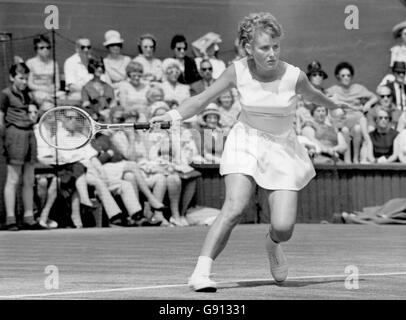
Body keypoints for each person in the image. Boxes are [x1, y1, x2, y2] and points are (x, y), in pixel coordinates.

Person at [150, 12, 353, 292]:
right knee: (234, 206)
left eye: (275, 47)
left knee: (284, 228)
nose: (272, 54)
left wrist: (335, 105)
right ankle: (201, 271)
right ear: (248, 48)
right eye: (264, 48)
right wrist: (172, 116)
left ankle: (272, 244)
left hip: (282, 147)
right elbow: (200, 100)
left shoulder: (295, 76)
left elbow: (314, 96)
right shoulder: (237, 71)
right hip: (245, 140)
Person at [0, 63, 38, 231]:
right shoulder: (5, 94)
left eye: (26, 78)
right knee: (13, 179)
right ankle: (10, 218)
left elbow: (34, 117)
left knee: (29, 179)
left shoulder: (29, 95)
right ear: (12, 77)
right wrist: (4, 139)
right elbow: (0, 119)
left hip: (30, 134)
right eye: (20, 78)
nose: (24, 82)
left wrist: (34, 116)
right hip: (14, 134)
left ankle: (29, 217)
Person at [326, 62, 378, 163]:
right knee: (345, 130)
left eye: (348, 75)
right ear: (338, 77)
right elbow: (321, 96)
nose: (346, 78)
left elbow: (374, 97)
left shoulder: (358, 88)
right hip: (343, 120)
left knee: (358, 129)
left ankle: (356, 158)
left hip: (356, 118)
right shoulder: (334, 89)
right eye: (343, 75)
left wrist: (368, 104)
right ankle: (347, 159)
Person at [25, 34, 61, 109]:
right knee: (47, 104)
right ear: (36, 49)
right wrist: (44, 89)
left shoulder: (54, 63)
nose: (45, 50)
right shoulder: (30, 63)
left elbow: (57, 84)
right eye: (42, 48)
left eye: (48, 47)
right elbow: (30, 84)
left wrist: (53, 89)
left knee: (64, 100)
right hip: (36, 92)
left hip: (52, 92)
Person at [81, 57, 115, 122]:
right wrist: (96, 113)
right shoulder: (86, 87)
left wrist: (109, 112)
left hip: (108, 117)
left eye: (101, 67)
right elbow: (86, 104)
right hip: (93, 118)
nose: (99, 69)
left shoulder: (108, 86)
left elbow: (113, 104)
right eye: (96, 67)